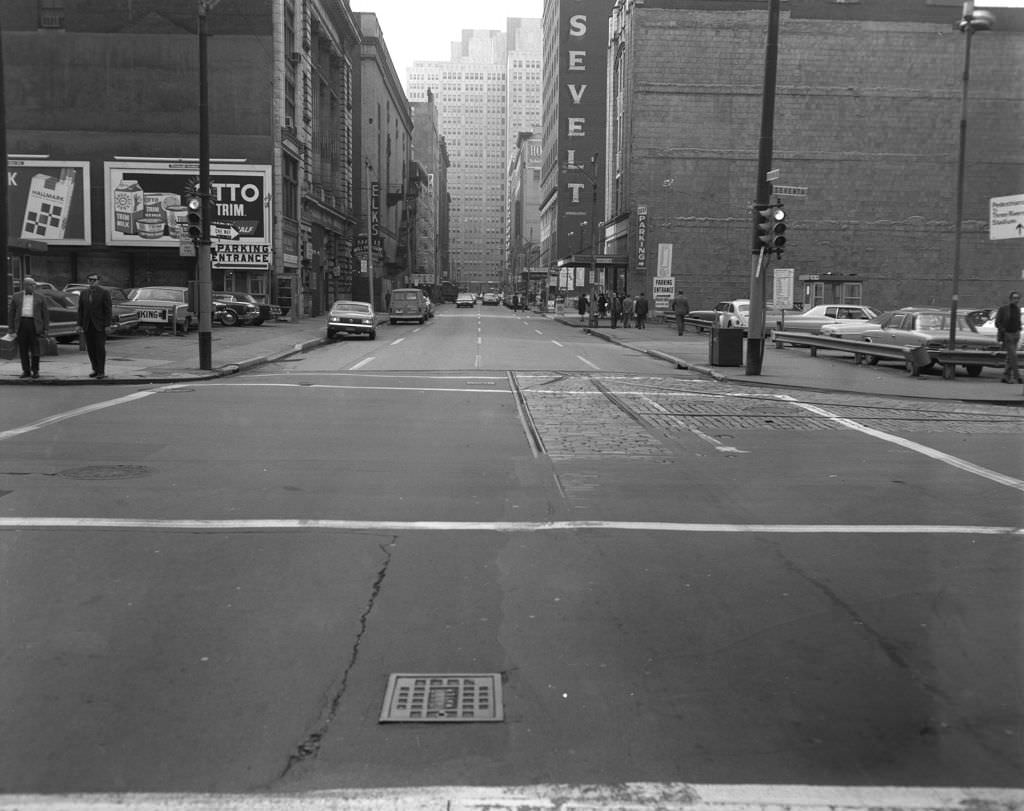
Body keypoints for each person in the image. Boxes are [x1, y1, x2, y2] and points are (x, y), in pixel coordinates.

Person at [6, 276, 50, 379]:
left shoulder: (41, 297)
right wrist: (11, 329)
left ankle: (35, 370)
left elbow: (45, 314)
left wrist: (46, 328)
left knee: (35, 349)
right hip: (21, 324)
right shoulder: (16, 296)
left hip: (34, 325)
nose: (33, 286)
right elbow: (11, 313)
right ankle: (26, 371)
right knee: (23, 349)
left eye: (34, 284)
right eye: (31, 284)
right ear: (25, 285)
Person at [76, 273, 113, 380]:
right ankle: (95, 369)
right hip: (87, 325)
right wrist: (79, 324)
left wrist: (107, 325)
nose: (91, 282)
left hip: (99, 325)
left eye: (93, 280)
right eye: (89, 280)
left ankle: (101, 371)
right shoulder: (84, 293)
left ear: (98, 281)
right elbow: (80, 310)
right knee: (91, 349)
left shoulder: (104, 292)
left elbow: (108, 310)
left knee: (100, 348)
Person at [994, 290, 1022, 384]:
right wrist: (1004, 332)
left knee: (1010, 357)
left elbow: (1017, 321)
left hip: (1016, 335)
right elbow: (997, 322)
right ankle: (1018, 376)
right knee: (1013, 356)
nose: (1016, 300)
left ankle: (1006, 376)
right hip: (1008, 335)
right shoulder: (1004, 309)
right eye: (1014, 298)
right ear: (1010, 299)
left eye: (1018, 298)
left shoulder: (1017, 309)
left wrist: (1019, 329)